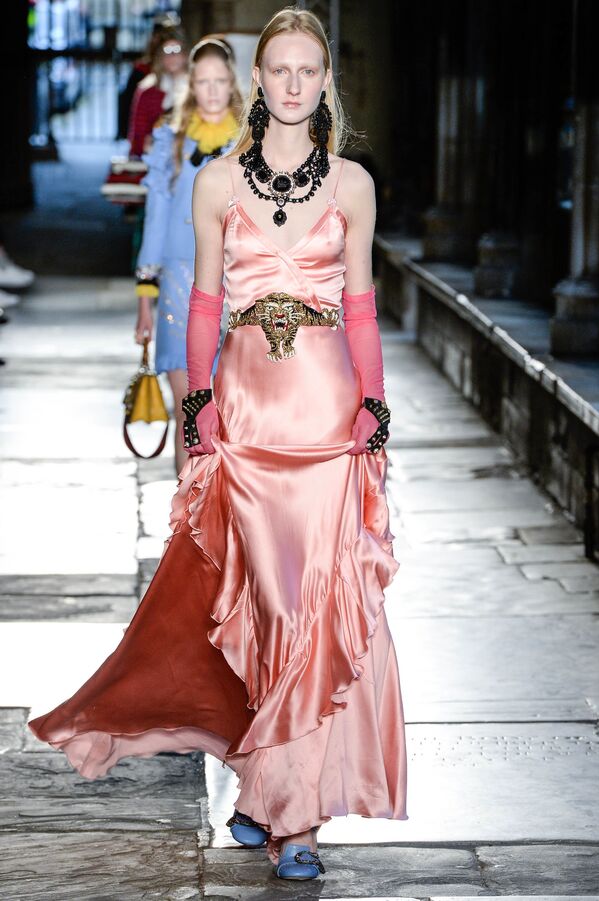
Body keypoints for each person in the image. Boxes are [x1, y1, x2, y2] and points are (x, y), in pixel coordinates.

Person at [28, 6, 408, 883]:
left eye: (308, 70)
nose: (293, 84)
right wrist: (198, 403)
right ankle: (264, 786)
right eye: (279, 69)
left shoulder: (352, 185)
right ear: (257, 79)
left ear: (325, 82)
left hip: (325, 421)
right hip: (245, 416)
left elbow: (360, 307)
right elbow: (203, 304)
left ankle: (295, 821)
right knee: (260, 608)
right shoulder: (215, 182)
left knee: (311, 614)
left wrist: (374, 406)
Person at [134, 37, 242, 472]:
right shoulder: (171, 141)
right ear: (191, 85)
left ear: (232, 83)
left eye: (220, 81)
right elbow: (156, 219)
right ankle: (187, 509)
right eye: (203, 82)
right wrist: (145, 299)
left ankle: (221, 507)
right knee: (189, 410)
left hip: (238, 284)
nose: (212, 91)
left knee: (232, 415)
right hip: (179, 284)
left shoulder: (251, 141)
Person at [127, 26, 189, 159]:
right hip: (156, 155)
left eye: (176, 50)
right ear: (160, 56)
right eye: (167, 51)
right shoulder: (147, 91)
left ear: (185, 54)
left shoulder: (197, 87)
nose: (172, 56)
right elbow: (138, 136)